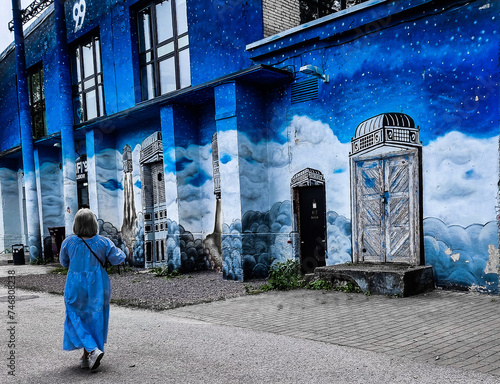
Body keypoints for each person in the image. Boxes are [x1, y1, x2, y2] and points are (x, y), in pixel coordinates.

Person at [60, 208, 125, 370]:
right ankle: (90, 352)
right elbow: (118, 259)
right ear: (94, 223)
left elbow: (64, 262)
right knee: (95, 316)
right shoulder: (103, 242)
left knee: (75, 315)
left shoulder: (68, 243)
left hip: (75, 284)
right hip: (98, 284)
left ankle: (90, 351)